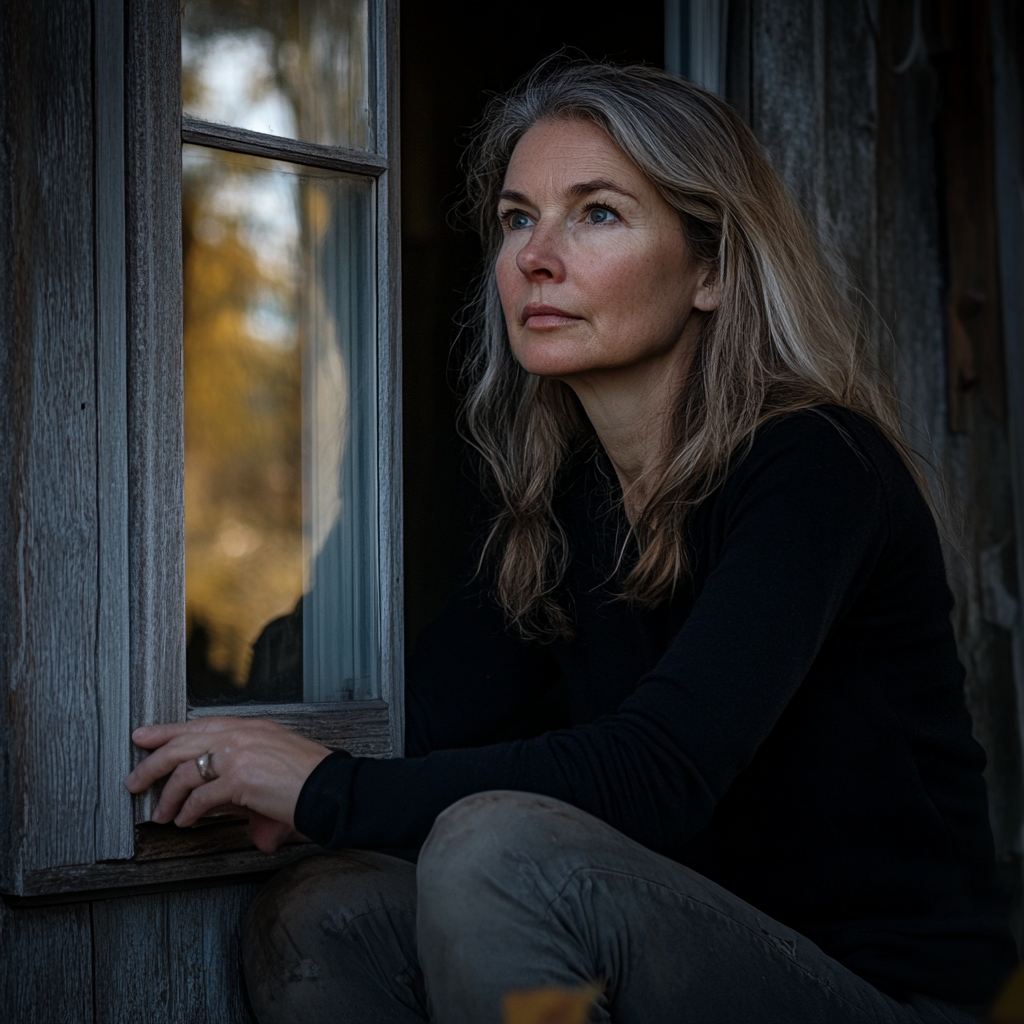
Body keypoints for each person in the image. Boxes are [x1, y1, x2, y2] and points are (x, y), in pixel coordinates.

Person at [125, 60, 1017, 1023]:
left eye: (596, 213)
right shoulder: (565, 508)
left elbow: (660, 771)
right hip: (677, 954)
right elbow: (426, 724)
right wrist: (221, 743)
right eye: (518, 218)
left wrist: (324, 787)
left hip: (892, 997)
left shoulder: (816, 466)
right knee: (326, 909)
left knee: (492, 851)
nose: (535, 258)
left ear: (712, 268)